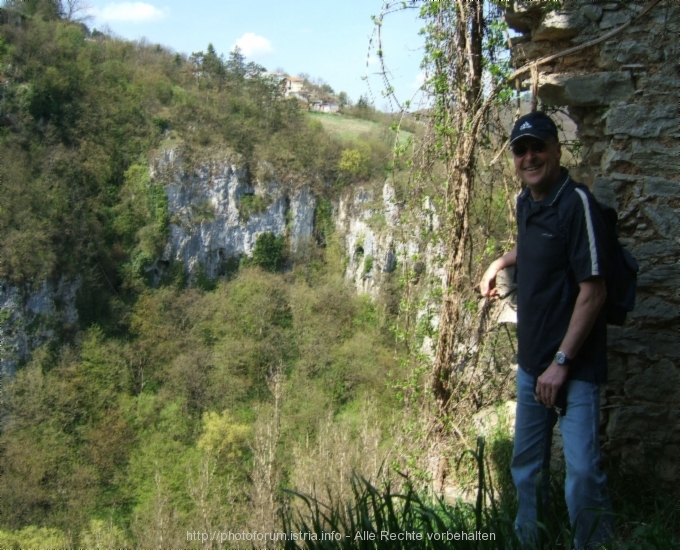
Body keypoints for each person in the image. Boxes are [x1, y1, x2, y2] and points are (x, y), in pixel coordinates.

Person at [480, 111, 614, 549]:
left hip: (572, 367)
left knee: (581, 475)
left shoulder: (577, 204)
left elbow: (593, 291)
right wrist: (501, 262)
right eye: (521, 150)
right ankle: (528, 541)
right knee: (526, 466)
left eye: (538, 147)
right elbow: (534, 244)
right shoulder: (526, 202)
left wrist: (561, 363)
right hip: (531, 363)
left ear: (558, 149)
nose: (530, 157)